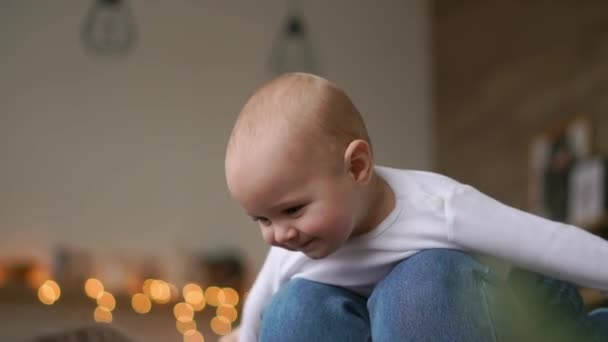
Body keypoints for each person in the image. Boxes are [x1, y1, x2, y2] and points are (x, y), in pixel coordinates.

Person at [222, 72, 608, 341]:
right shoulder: (291, 246)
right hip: (374, 322)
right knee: (290, 309)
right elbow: (260, 303)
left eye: (292, 210)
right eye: (261, 218)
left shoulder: (439, 207)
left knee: (418, 288)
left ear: (357, 167)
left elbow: (544, 241)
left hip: (520, 304)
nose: (279, 234)